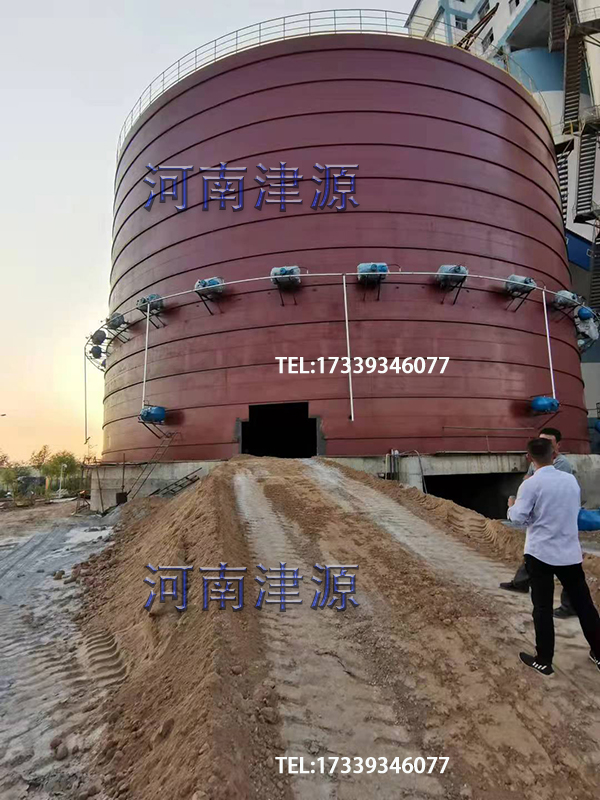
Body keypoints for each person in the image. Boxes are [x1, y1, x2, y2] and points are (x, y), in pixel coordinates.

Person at [507, 437, 600, 676]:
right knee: (584, 605)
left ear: (529, 458)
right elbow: (570, 510)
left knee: (542, 608)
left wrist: (511, 506)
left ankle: (544, 660)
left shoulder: (530, 484)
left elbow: (518, 518)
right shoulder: (570, 480)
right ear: (554, 455)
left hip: (540, 553)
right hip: (569, 552)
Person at [500, 427, 577, 618]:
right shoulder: (538, 466)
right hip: (544, 528)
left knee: (565, 569)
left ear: (557, 447)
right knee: (535, 556)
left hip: (558, 524)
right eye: (540, 440)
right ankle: (521, 582)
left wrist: (515, 506)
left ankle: (569, 606)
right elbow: (530, 479)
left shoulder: (562, 465)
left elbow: (547, 489)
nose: (542, 445)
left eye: (548, 442)